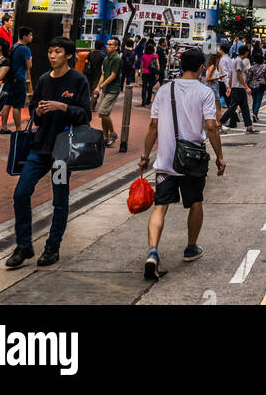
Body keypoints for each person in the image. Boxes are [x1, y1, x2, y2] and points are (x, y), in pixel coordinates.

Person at [139, 47, 227, 279]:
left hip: (166, 160)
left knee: (160, 206)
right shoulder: (205, 92)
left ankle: (152, 251)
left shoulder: (164, 90)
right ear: (200, 67)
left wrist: (145, 156)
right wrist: (219, 156)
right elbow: (210, 127)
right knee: (196, 202)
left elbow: (153, 127)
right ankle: (191, 247)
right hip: (192, 160)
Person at [5, 37, 91, 270]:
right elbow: (33, 110)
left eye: (58, 52)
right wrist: (40, 112)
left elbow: (85, 115)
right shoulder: (43, 79)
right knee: (21, 193)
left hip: (63, 151)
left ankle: (52, 247)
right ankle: (24, 245)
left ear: (69, 55)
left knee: (59, 200)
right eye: (50, 51)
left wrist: (63, 107)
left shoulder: (78, 80)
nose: (52, 56)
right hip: (40, 147)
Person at [91, 36, 124, 147]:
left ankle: (113, 133)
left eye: (110, 44)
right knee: (103, 113)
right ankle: (105, 137)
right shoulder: (106, 58)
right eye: (108, 44)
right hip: (106, 88)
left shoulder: (117, 58)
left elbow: (113, 75)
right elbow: (104, 74)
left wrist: (100, 87)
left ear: (116, 47)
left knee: (103, 112)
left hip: (113, 89)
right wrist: (98, 86)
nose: (108, 46)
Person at [0, 26, 32, 134]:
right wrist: (30, 59)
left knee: (7, 103)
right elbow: (29, 65)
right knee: (17, 105)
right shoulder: (25, 49)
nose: (32, 38)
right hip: (19, 78)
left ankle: (4, 127)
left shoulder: (14, 46)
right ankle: (18, 129)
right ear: (24, 36)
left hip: (10, 78)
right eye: (30, 35)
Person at [247, 47, 266, 122]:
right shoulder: (264, 67)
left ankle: (254, 113)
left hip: (253, 85)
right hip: (261, 85)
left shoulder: (252, 67)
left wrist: (248, 84)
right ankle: (255, 113)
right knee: (258, 101)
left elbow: (249, 77)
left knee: (254, 100)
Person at [140, 40, 159, 108]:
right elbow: (157, 65)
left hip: (145, 72)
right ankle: (148, 100)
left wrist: (141, 73)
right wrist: (157, 73)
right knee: (150, 87)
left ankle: (143, 101)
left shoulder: (144, 56)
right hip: (152, 73)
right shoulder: (155, 55)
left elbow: (142, 66)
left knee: (144, 87)